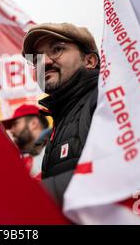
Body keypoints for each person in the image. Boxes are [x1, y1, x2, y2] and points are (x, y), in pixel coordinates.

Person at [22, 23, 99, 206]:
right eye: (37, 59)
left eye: (57, 49)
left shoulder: (105, 99)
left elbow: (117, 172)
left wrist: (25, 196)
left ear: (89, 61)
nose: (45, 62)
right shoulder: (62, 117)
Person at [2, 104, 50, 179]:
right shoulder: (20, 158)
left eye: (15, 124)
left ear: (34, 123)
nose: (11, 130)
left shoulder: (56, 149)